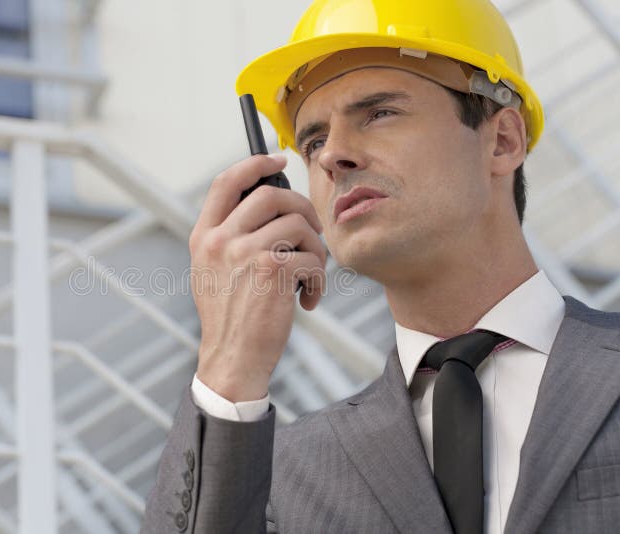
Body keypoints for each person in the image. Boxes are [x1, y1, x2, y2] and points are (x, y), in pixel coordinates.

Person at [142, 1, 620, 532]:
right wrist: (228, 367)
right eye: (314, 141)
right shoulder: (289, 473)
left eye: (379, 113)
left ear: (503, 140)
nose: (332, 156)